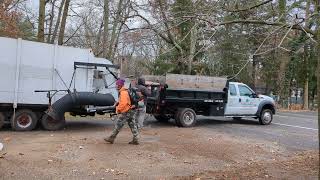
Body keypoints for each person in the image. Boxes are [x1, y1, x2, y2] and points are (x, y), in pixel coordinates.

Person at [104, 79, 139, 145]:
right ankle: (136, 139)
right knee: (132, 124)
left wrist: (118, 110)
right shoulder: (125, 91)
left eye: (117, 85)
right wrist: (117, 103)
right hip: (131, 110)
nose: (116, 86)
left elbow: (124, 103)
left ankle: (111, 138)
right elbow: (124, 101)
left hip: (127, 110)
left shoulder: (123, 92)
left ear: (120, 85)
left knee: (118, 124)